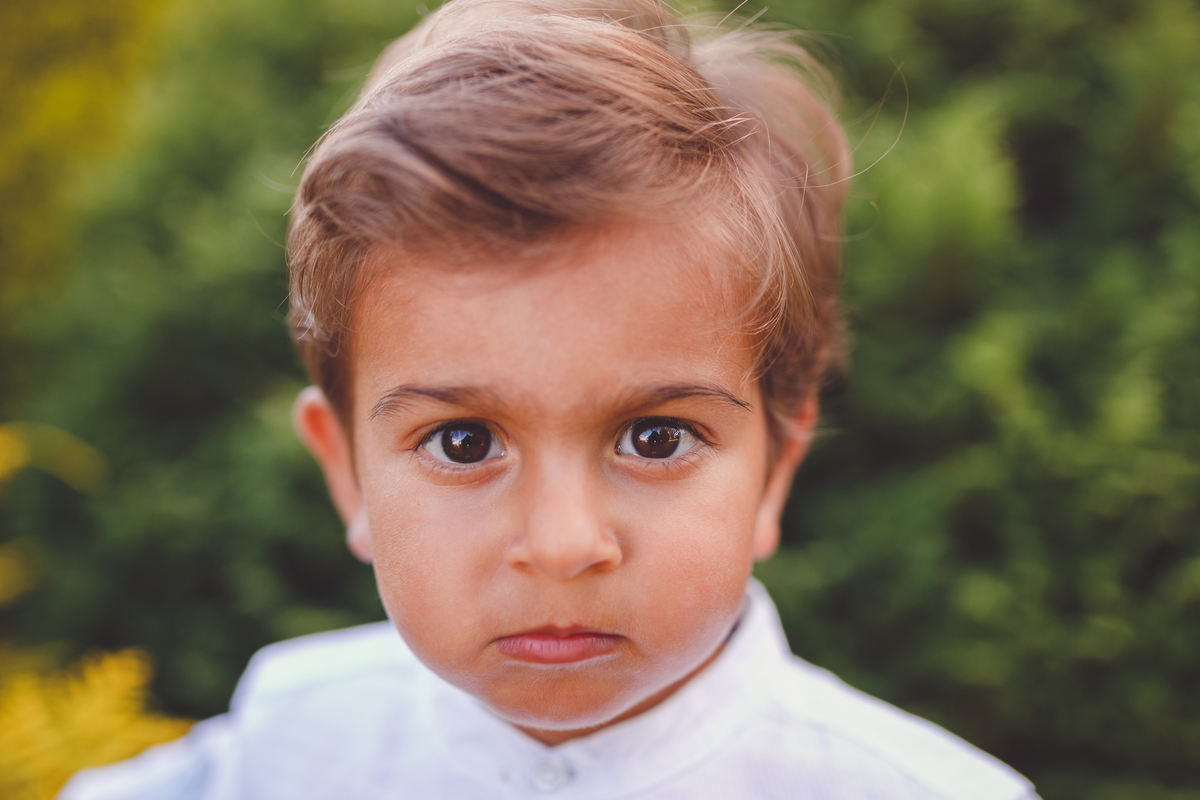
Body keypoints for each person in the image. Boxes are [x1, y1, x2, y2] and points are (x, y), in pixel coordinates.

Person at [60, 0, 1039, 797]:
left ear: (777, 467)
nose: (564, 542)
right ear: (345, 471)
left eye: (656, 436)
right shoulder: (287, 743)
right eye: (461, 440)